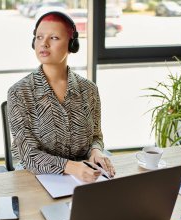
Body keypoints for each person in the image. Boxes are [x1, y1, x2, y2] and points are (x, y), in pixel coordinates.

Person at [7, 11, 115, 183]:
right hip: (36, 179)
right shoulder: (19, 93)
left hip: (85, 177)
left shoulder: (89, 90)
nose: (44, 44)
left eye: (54, 38)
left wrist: (96, 151)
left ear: (71, 44)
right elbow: (27, 155)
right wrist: (71, 167)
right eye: (39, 37)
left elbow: (95, 136)